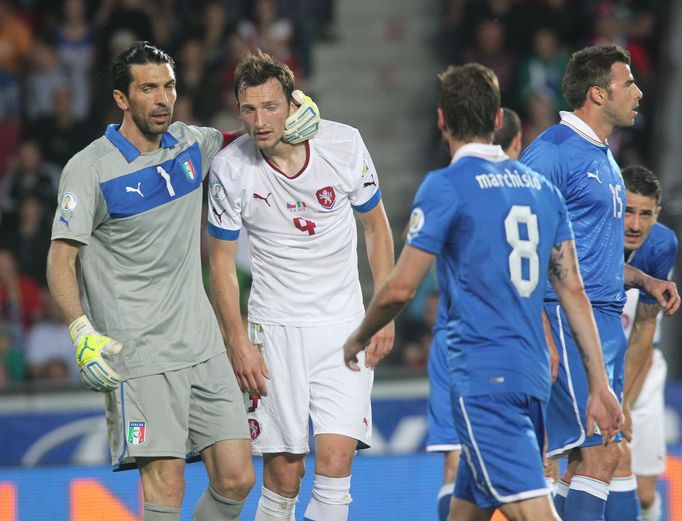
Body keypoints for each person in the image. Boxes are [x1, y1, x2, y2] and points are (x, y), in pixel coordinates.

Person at [45, 41, 320, 521]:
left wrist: (299, 110)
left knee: (237, 479)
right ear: (121, 99)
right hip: (139, 354)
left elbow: (254, 132)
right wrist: (80, 330)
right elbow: (59, 260)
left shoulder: (194, 144)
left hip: (202, 343)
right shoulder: (89, 169)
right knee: (166, 483)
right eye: (149, 89)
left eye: (168, 86)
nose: (163, 99)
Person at [344, 62, 623, 521]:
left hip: (484, 377)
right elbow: (573, 290)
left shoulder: (446, 186)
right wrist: (598, 384)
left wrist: (359, 335)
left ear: (441, 120)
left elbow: (400, 288)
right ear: (498, 120)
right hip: (534, 376)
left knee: (533, 511)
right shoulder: (541, 190)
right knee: (468, 507)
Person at [207, 49, 395, 521]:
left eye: (270, 106)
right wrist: (236, 340)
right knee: (284, 475)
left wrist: (383, 312)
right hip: (274, 332)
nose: (259, 120)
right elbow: (221, 263)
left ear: (293, 103)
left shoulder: (344, 144)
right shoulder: (231, 168)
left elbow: (376, 227)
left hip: (345, 329)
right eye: (248, 110)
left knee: (336, 461)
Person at [520, 44, 679, 521]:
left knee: (592, 455)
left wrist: (643, 280)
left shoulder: (604, 159)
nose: (639, 91)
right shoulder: (551, 153)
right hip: (567, 321)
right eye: (628, 83)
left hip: (601, 321)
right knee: (597, 452)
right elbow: (520, 243)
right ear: (597, 93)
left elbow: (589, 257)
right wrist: (540, 328)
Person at [427, 105, 524, 521]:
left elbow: (409, 279)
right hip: (504, 350)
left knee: (463, 468)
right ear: (513, 142)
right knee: (524, 472)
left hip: (460, 346)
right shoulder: (531, 192)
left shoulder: (450, 188)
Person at [619, 166, 678, 521]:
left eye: (645, 214)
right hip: (592, 367)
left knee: (643, 493)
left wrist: (621, 402)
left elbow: (643, 330)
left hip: (641, 368)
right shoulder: (586, 236)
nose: (635, 225)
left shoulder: (661, 244)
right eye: (627, 210)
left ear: (656, 214)